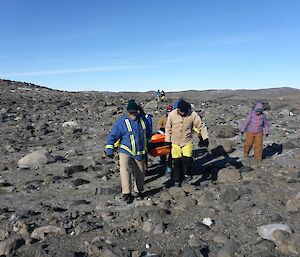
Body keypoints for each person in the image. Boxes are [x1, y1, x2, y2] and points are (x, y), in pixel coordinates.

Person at [105, 99, 151, 202]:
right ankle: (126, 193)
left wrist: (149, 144)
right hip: (126, 150)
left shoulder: (143, 120)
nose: (132, 114)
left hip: (140, 152)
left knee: (140, 172)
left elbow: (147, 134)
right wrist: (109, 149)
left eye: (134, 112)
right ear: (127, 112)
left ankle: (138, 191)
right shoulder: (121, 122)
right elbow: (113, 135)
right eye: (130, 112)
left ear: (137, 111)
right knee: (124, 169)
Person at [165, 99, 209, 187]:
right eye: (180, 111)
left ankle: (186, 174)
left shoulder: (193, 115)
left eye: (184, 112)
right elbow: (168, 128)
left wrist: (205, 138)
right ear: (177, 109)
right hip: (175, 142)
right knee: (176, 162)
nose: (182, 113)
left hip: (187, 141)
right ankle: (177, 179)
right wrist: (167, 141)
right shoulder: (172, 114)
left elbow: (201, 126)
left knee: (187, 160)